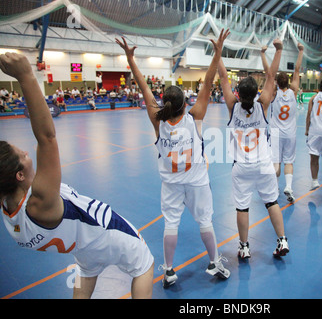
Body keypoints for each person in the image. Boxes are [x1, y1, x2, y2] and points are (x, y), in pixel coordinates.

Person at [0, 52, 154, 299]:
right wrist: (26, 76)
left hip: (81, 244)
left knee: (87, 271)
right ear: (19, 175)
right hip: (103, 230)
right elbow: (47, 138)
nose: (28, 153)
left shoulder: (8, 207)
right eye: (23, 155)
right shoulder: (40, 200)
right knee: (144, 265)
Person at [116, 29, 231, 288]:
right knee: (205, 221)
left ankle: (168, 270)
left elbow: (144, 87)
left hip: (171, 184)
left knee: (171, 224)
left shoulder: (158, 122)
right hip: (197, 182)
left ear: (165, 104)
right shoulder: (194, 117)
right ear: (184, 104)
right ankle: (214, 263)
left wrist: (131, 60)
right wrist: (217, 53)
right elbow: (209, 82)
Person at [218, 38, 289, 259]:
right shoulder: (263, 105)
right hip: (264, 165)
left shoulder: (232, 107)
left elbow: (222, 76)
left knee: (242, 208)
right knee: (271, 202)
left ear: (238, 94)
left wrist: (218, 51)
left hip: (242, 168)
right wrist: (278, 51)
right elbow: (271, 77)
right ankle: (282, 240)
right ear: (256, 93)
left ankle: (244, 246)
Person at [262, 42, 304, 202]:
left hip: (275, 133)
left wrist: (263, 54)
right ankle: (288, 186)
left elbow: (269, 73)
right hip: (290, 133)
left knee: (276, 162)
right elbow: (297, 69)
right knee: (289, 161)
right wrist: (300, 51)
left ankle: (273, 188)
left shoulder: (273, 93)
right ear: (289, 83)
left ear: (278, 83)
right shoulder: (294, 92)